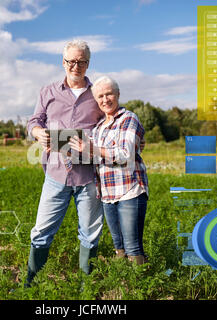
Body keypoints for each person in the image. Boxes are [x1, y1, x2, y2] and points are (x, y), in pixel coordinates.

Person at [25, 39, 105, 287]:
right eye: (71, 61)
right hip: (56, 175)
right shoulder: (48, 91)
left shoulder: (98, 93)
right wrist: (38, 133)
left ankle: (85, 289)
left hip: (88, 177)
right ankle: (30, 284)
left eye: (81, 62)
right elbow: (33, 121)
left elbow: (113, 121)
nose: (76, 66)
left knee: (90, 235)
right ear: (64, 62)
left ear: (88, 64)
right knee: (41, 233)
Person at [69, 75, 149, 264]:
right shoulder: (98, 128)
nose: (105, 100)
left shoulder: (129, 119)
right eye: (100, 97)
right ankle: (123, 284)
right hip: (107, 193)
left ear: (118, 94)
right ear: (96, 101)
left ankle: (141, 287)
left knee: (133, 247)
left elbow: (125, 154)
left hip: (129, 190)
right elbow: (95, 156)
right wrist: (60, 148)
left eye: (109, 94)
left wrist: (90, 148)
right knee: (119, 246)